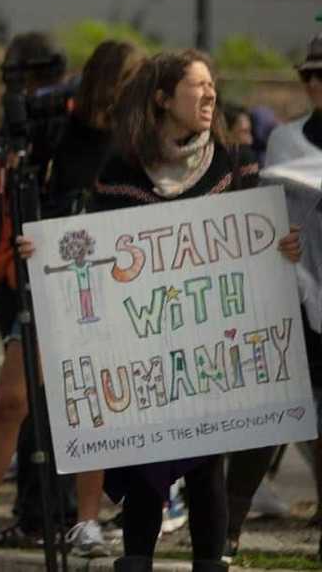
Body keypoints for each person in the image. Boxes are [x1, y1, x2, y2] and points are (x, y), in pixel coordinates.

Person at [71, 49, 300, 572]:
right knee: (147, 463)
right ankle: (136, 561)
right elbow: (93, 248)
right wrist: (51, 259)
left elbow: (256, 241)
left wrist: (282, 248)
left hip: (212, 349)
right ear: (161, 98)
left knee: (206, 466)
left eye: (212, 86)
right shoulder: (121, 171)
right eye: (197, 86)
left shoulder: (233, 164)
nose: (209, 95)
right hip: (145, 350)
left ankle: (209, 563)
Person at [0, 37, 143, 558]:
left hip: (108, 290)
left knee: (93, 406)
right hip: (51, 281)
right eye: (126, 79)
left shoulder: (133, 144)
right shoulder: (62, 132)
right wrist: (31, 230)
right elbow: (33, 196)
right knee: (12, 400)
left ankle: (86, 522)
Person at [263, 31, 322, 559]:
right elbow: (264, 214)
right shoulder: (285, 142)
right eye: (313, 76)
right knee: (312, 408)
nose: (319, 84)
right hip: (302, 292)